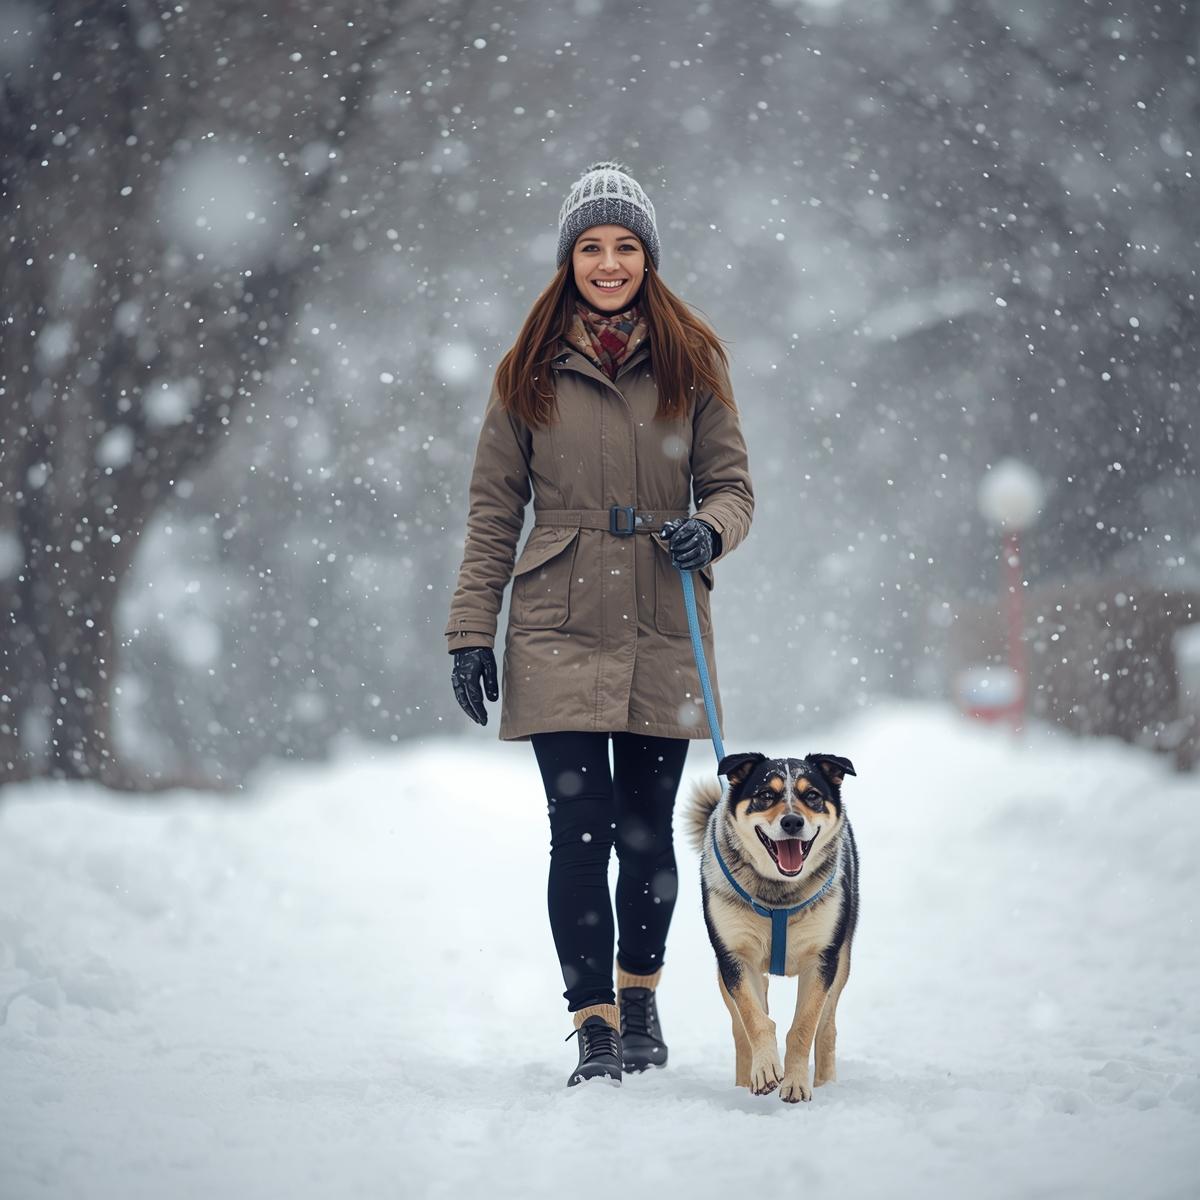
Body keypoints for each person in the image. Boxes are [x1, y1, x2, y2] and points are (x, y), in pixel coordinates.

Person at [444, 160, 755, 1088]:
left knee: (648, 830)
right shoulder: (526, 373)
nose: (608, 263)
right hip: (558, 618)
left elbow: (733, 487)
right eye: (592, 247)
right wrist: (470, 631)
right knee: (577, 830)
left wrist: (712, 529)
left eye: (625, 247)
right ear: (568, 258)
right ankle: (593, 1024)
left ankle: (642, 997)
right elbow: (494, 512)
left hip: (663, 614)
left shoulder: (694, 365)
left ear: (647, 258)